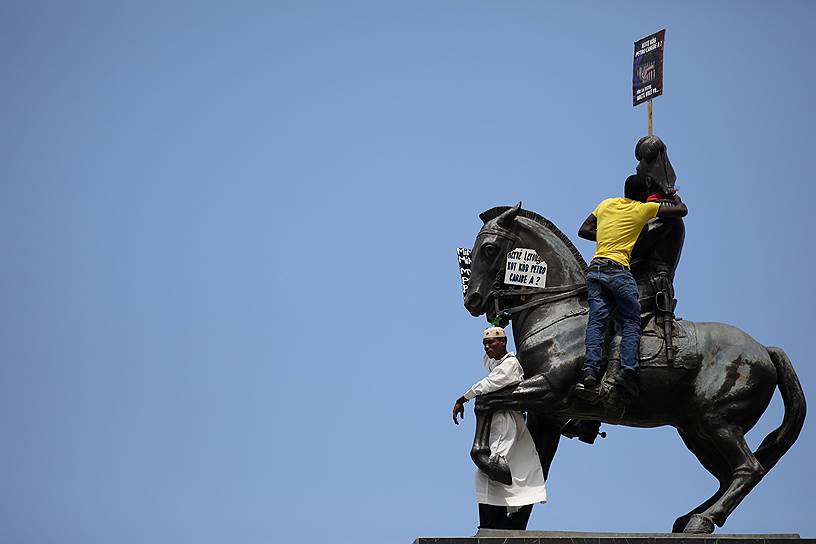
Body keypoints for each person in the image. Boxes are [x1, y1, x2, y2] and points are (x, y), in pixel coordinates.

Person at [577, 174, 688, 390]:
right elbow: (682, 211)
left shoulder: (606, 204)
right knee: (631, 320)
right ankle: (628, 370)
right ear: (643, 195)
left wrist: (608, 236)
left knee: (597, 322)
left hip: (596, 270)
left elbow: (584, 230)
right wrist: (673, 197)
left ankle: (590, 371)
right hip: (618, 271)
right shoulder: (642, 210)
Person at [451, 326, 547, 530]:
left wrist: (463, 398)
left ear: (503, 342)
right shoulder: (498, 363)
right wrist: (497, 323)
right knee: (488, 474)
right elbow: (489, 363)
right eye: (484, 344)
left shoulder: (510, 365)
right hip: (497, 422)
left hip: (506, 423)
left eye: (491, 342)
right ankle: (490, 523)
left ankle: (493, 521)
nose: (487, 347)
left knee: (490, 470)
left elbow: (487, 384)